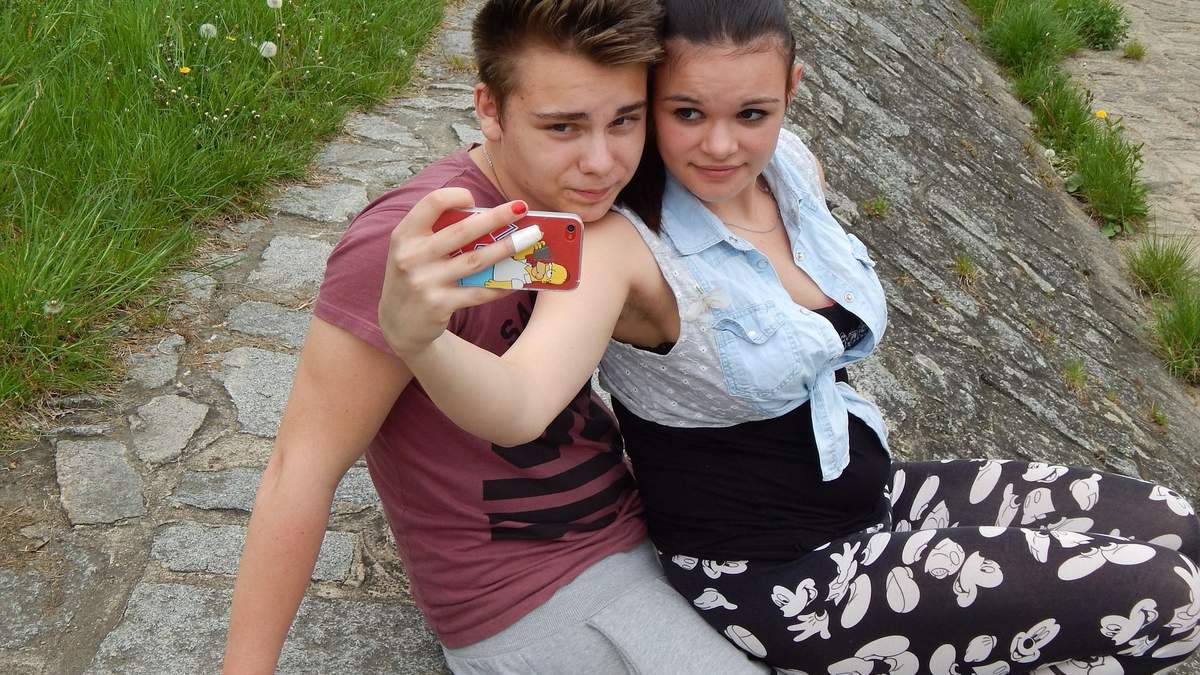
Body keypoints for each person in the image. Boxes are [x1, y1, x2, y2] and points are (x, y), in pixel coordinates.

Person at [380, 0, 1200, 671]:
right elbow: (520, 400)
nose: (720, 144)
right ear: (650, 102)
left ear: (791, 91)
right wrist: (421, 339)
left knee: (1173, 522)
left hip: (873, 497)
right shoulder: (619, 246)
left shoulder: (792, 168)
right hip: (778, 575)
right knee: (1168, 598)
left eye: (752, 112)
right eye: (686, 112)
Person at [222, 1, 773, 673]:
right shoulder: (412, 247)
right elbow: (300, 467)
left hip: (649, 518)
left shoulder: (584, 206)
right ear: (489, 108)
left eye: (625, 120)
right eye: (562, 126)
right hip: (529, 589)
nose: (602, 162)